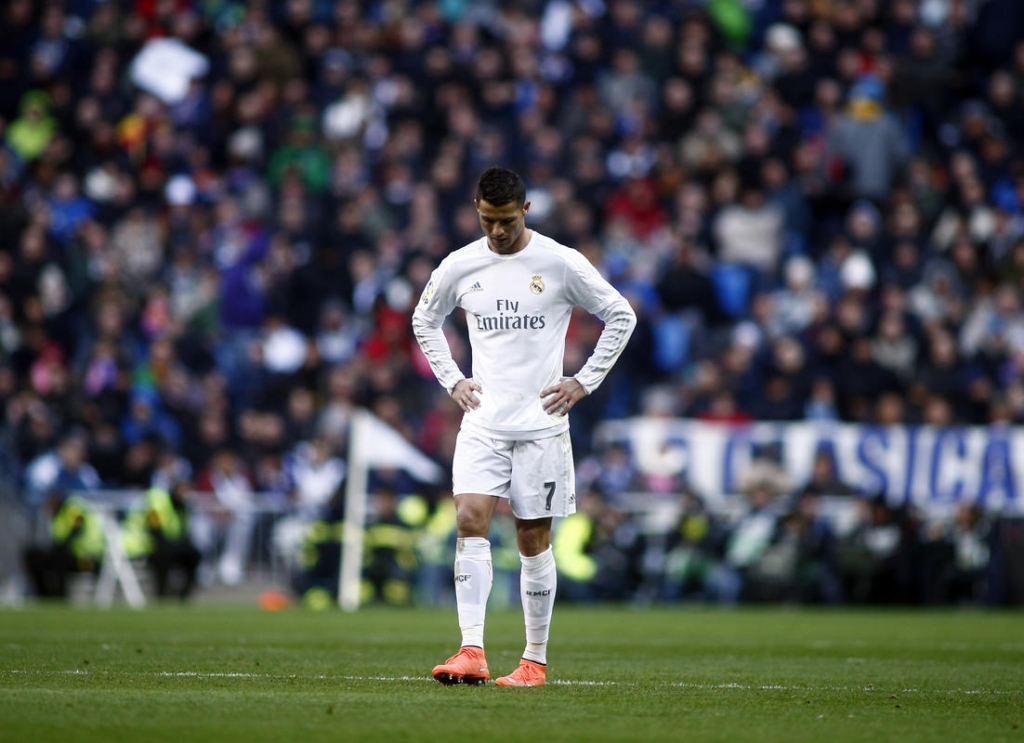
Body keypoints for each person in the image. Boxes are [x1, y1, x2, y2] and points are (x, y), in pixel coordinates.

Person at [412, 166, 637, 686]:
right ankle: (472, 650)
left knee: (532, 539)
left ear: (526, 211)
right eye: (488, 220)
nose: (497, 231)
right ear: (476, 209)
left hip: (541, 425)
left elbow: (620, 315)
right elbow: (424, 319)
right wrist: (451, 379)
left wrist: (584, 381)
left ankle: (534, 660)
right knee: (469, 518)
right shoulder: (459, 265)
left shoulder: (559, 262)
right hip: (484, 421)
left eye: (507, 220)